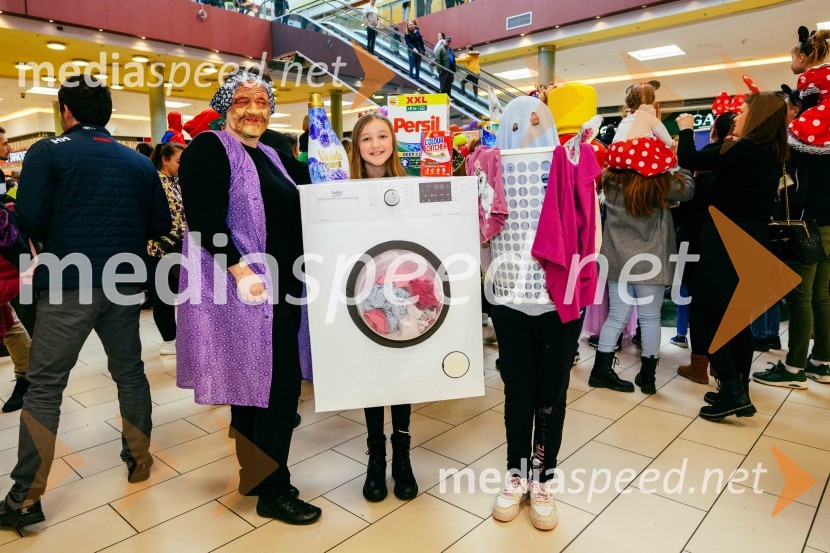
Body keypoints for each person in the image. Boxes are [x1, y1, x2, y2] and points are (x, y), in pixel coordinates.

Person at [0, 75, 171, 529]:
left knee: (46, 385)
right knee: (129, 372)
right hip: (124, 283)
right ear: (107, 114)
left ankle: (24, 498)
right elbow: (159, 222)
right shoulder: (138, 164)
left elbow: (31, 218)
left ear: (66, 111)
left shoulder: (48, 152)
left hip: (68, 282)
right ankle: (138, 460)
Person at [177, 68, 320, 525]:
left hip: (283, 287)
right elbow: (202, 216)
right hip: (247, 290)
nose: (254, 110)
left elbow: (314, 191)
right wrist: (240, 271)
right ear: (225, 106)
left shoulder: (273, 155)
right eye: (243, 100)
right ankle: (274, 490)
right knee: (275, 390)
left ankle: (255, 476)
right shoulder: (210, 148)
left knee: (254, 385)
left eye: (262, 102)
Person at [676, 92, 789, 420]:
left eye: (741, 112)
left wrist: (686, 129)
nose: (737, 117)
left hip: (725, 240)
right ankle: (737, 389)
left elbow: (691, 159)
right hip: (753, 240)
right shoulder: (772, 153)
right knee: (736, 320)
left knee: (710, 315)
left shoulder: (741, 149)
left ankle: (732, 389)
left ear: (755, 117)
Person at [346, 113, 418, 503]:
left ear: (393, 141)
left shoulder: (410, 188)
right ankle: (376, 456)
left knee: (400, 373)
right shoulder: (345, 193)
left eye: (382, 136)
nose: (375, 145)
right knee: (373, 374)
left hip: (402, 293)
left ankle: (402, 457)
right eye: (366, 139)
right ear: (356, 147)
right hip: (362, 297)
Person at [754, 27, 830, 388]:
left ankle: (795, 367)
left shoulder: (802, 140)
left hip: (808, 224)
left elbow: (794, 187)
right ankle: (821, 361)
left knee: (800, 295)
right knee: (823, 295)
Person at [589, 164, 694, 394]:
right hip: (651, 259)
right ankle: (647, 377)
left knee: (616, 315)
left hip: (618, 257)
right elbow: (687, 190)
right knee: (650, 319)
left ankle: (601, 370)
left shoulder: (611, 177)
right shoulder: (659, 181)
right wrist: (678, 167)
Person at [674, 111, 736, 385]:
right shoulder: (746, 161)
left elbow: (687, 164)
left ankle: (699, 363)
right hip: (731, 241)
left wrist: (686, 131)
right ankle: (722, 367)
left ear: (713, 133)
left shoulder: (709, 165)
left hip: (698, 239)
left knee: (700, 304)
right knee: (725, 305)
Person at [148, 142, 186, 356]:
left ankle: (180, 336)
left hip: (181, 246)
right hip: (161, 248)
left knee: (182, 294)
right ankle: (169, 340)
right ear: (165, 159)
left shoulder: (178, 182)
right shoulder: (156, 182)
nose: (181, 166)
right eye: (178, 161)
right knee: (163, 296)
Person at [608, 82, 677, 177]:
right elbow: (668, 142)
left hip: (616, 157)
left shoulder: (625, 119)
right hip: (637, 157)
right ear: (652, 101)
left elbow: (615, 141)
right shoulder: (650, 117)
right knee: (657, 144)